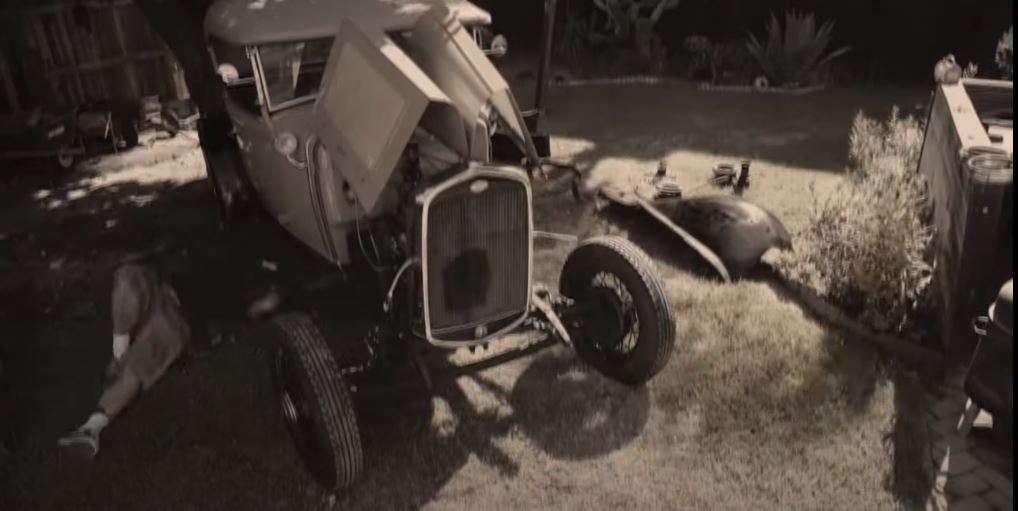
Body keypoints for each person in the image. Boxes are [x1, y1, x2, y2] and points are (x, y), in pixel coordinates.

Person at [58, 263, 190, 458]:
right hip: (154, 288)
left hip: (174, 311)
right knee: (128, 281)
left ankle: (91, 429)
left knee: (135, 368)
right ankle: (120, 353)